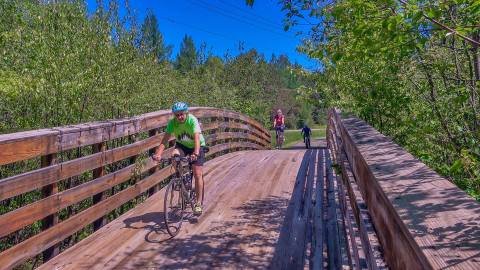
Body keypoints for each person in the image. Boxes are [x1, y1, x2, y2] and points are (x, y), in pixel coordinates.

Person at [152, 102, 206, 215]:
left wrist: (196, 153)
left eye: (182, 114)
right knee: (174, 155)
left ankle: (198, 203)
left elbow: (196, 138)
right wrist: (158, 154)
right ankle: (182, 177)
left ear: (186, 113)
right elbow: (165, 140)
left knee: (197, 174)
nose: (180, 117)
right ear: (174, 115)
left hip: (197, 146)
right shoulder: (172, 123)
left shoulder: (192, 120)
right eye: (177, 115)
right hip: (182, 145)